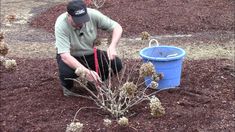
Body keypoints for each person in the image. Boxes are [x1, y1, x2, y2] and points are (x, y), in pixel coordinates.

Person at [54, 0, 123, 96]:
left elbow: (117, 27)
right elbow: (65, 56)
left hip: (89, 53)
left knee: (116, 63)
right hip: (71, 55)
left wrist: (112, 46)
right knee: (67, 72)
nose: (81, 23)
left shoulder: (93, 15)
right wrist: (86, 72)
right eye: (77, 20)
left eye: (83, 19)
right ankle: (68, 88)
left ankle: (95, 81)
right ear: (69, 16)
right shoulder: (61, 24)